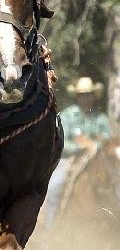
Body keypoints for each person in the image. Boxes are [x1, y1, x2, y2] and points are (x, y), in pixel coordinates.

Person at [42, 76, 113, 227]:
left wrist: (93, 145)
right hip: (69, 160)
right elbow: (62, 143)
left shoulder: (100, 118)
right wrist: (83, 146)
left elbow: (107, 141)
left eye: (89, 94)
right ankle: (50, 229)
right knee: (54, 187)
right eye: (82, 95)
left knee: (115, 185)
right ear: (78, 97)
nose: (86, 98)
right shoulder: (67, 115)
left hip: (98, 160)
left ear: (94, 96)